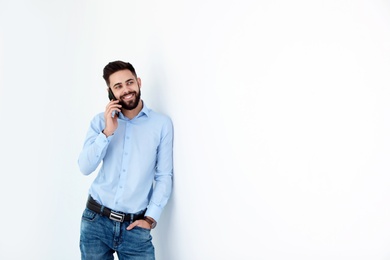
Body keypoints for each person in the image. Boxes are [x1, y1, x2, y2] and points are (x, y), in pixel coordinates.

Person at [78, 60, 173, 260]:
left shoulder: (161, 124)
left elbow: (164, 176)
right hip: (96, 221)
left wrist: (150, 218)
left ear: (138, 82)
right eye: (118, 86)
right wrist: (107, 132)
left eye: (129, 82)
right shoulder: (100, 122)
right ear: (110, 92)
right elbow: (85, 167)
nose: (126, 90)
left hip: (135, 227)